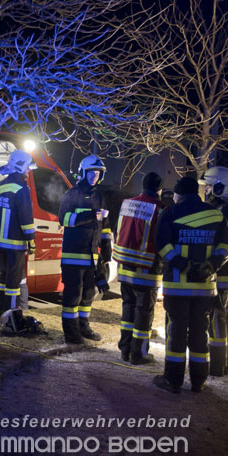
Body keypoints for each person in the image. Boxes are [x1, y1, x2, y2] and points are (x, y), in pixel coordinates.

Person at [153, 176, 228, 394]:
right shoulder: (216, 214)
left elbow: (162, 245)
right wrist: (210, 266)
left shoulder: (170, 213)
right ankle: (199, 381)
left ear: (178, 194)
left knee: (176, 332)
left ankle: (173, 380)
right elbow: (227, 246)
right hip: (205, 287)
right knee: (200, 332)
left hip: (177, 286)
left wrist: (183, 265)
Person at [113, 172, 166, 364]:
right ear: (159, 189)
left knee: (128, 310)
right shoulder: (160, 208)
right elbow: (161, 239)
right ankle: (138, 354)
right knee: (144, 314)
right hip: (146, 269)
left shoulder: (128, 203)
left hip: (125, 266)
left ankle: (124, 350)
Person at [58, 155, 111, 344]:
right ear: (83, 173)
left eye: (98, 173)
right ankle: (71, 333)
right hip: (73, 255)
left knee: (89, 293)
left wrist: (106, 250)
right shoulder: (71, 194)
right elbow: (63, 219)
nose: (95, 176)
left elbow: (104, 226)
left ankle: (84, 326)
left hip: (92, 256)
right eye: (91, 173)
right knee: (73, 295)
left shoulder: (99, 196)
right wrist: (90, 215)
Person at [199, 166, 228, 376]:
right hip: (226, 270)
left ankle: (217, 364)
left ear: (219, 186)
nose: (206, 191)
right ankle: (224, 360)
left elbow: (222, 242)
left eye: (209, 187)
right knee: (223, 316)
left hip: (222, 271)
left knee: (217, 316)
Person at [0, 150, 37, 333]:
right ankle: (11, 318)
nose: (29, 172)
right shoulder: (22, 189)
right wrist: (31, 240)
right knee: (13, 282)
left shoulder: (1, 186)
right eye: (27, 168)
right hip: (16, 243)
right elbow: (26, 219)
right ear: (21, 168)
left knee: (2, 278)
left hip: (0, 243)